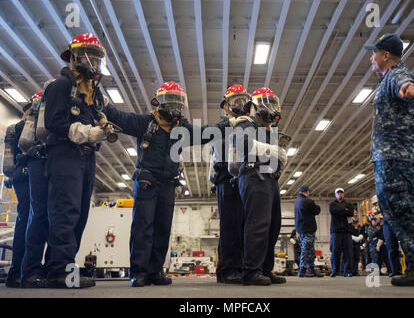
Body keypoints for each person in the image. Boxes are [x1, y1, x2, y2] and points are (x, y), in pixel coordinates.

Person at [103, 81, 245, 287]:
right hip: (147, 182)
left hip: (168, 184)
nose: (174, 108)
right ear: (158, 102)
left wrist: (228, 124)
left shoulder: (182, 129)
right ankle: (139, 272)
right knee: (143, 228)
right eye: (170, 103)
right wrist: (104, 104)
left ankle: (154, 271)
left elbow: (205, 132)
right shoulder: (146, 122)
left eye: (178, 104)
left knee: (162, 229)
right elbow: (120, 118)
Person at [364, 33, 414, 286]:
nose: (370, 57)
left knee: (403, 209)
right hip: (398, 157)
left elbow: (408, 83)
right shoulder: (388, 78)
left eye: (373, 52)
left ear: (385, 55)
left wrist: (409, 88)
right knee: (404, 209)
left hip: (396, 157)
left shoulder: (395, 74)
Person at [44, 33, 111, 288]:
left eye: (95, 57)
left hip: (84, 158)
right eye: (87, 55)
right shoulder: (62, 85)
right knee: (66, 212)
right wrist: (84, 132)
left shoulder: (89, 93)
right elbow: (54, 123)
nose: (91, 61)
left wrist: (99, 131)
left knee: (80, 214)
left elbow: (95, 121)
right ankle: (58, 271)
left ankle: (63, 266)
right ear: (73, 57)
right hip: (64, 156)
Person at [231, 87, 287, 285]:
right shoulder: (246, 122)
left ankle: (265, 268)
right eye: (266, 103)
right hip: (253, 175)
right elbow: (243, 145)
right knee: (258, 224)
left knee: (273, 225)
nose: (270, 108)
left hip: (269, 178)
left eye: (273, 103)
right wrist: (274, 149)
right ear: (254, 106)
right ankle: (251, 270)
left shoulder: (268, 130)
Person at [212, 85, 248, 284]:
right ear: (226, 105)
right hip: (227, 180)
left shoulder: (247, 126)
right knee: (230, 226)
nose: (240, 104)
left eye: (243, 100)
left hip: (243, 180)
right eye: (236, 100)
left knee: (243, 225)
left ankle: (240, 265)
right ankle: (227, 269)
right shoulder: (222, 127)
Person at [20, 92, 51, 288]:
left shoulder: (30, 121)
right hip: (40, 165)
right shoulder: (34, 122)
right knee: (39, 215)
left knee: (40, 216)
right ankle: (31, 271)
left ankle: (31, 270)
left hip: (41, 165)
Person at [4, 103, 32, 288]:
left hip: (17, 177)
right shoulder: (30, 129)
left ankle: (16, 272)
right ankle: (23, 271)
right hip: (30, 176)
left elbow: (8, 160)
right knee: (30, 222)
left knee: (23, 220)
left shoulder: (14, 129)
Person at [294, 185, 323, 277]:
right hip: (308, 228)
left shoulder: (297, 202)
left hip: (301, 229)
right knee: (306, 249)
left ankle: (311, 269)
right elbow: (317, 210)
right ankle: (302, 270)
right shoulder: (308, 201)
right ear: (307, 192)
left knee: (310, 249)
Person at [328, 188, 354, 277]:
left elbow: (350, 213)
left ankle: (348, 271)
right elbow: (333, 211)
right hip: (335, 231)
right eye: (338, 193)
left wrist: (340, 210)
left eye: (341, 193)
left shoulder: (349, 204)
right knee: (335, 252)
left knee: (348, 253)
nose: (340, 194)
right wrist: (344, 210)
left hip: (346, 231)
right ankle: (335, 271)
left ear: (344, 194)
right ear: (335, 194)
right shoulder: (331, 204)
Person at [349, 212, 364, 276]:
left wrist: (361, 236)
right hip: (351, 243)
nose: (355, 217)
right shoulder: (349, 226)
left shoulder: (359, 226)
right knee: (351, 257)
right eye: (354, 215)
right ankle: (351, 271)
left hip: (357, 244)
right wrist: (354, 238)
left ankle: (355, 271)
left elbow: (362, 233)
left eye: (356, 215)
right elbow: (348, 234)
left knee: (357, 257)